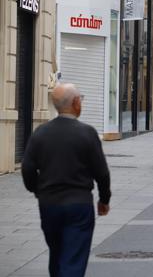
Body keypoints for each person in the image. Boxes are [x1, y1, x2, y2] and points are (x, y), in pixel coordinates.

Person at [21, 83, 111, 277]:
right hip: (78, 205)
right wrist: (104, 200)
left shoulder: (41, 133)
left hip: (49, 205)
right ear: (76, 103)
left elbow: (27, 168)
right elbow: (101, 173)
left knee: (57, 253)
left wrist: (37, 190)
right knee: (73, 258)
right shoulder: (86, 133)